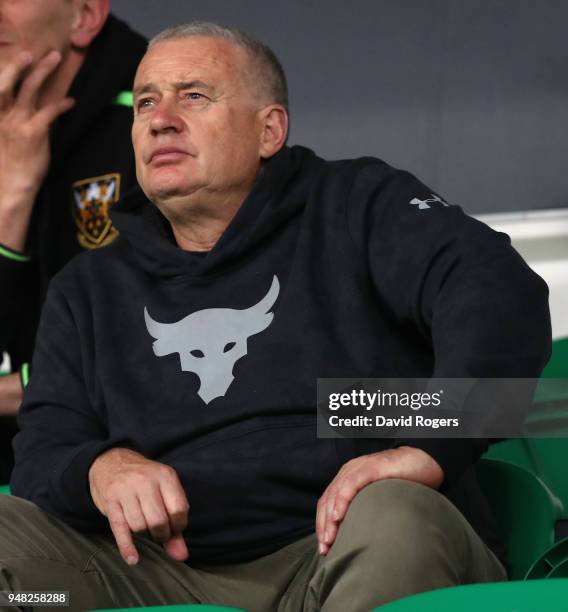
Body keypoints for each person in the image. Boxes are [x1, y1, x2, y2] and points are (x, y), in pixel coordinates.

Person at [2, 21, 551, 612]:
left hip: (340, 551)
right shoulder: (87, 288)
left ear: (269, 130)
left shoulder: (355, 205)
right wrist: (99, 467)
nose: (160, 118)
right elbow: (40, 455)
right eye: (145, 102)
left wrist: (428, 444)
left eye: (194, 95)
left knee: (395, 512)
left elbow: (504, 293)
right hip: (147, 574)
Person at [0, 0, 146, 480]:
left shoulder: (166, 126)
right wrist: (12, 195)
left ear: (84, 15)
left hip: (114, 498)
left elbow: (154, 366)